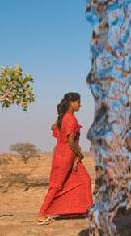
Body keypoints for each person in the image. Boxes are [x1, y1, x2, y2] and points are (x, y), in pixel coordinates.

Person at [37, 92, 93, 223]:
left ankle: (85, 209)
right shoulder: (70, 119)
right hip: (66, 155)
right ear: (72, 103)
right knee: (56, 185)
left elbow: (54, 127)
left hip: (66, 154)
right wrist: (80, 154)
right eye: (78, 102)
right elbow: (71, 141)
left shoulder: (64, 118)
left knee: (84, 180)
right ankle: (42, 213)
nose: (80, 105)